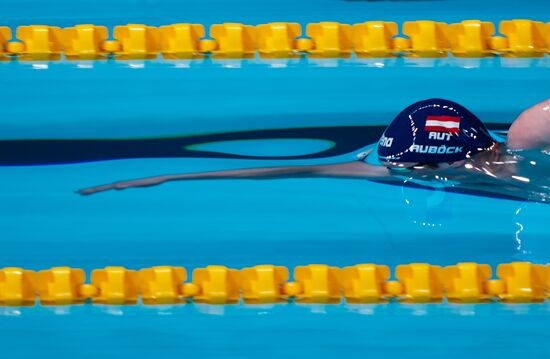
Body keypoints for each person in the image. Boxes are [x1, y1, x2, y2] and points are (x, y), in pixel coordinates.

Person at [77, 98, 550, 202]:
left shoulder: (531, 138)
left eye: (412, 166)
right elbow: (307, 171)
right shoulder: (415, 169)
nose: (401, 172)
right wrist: (173, 177)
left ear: (449, 160)